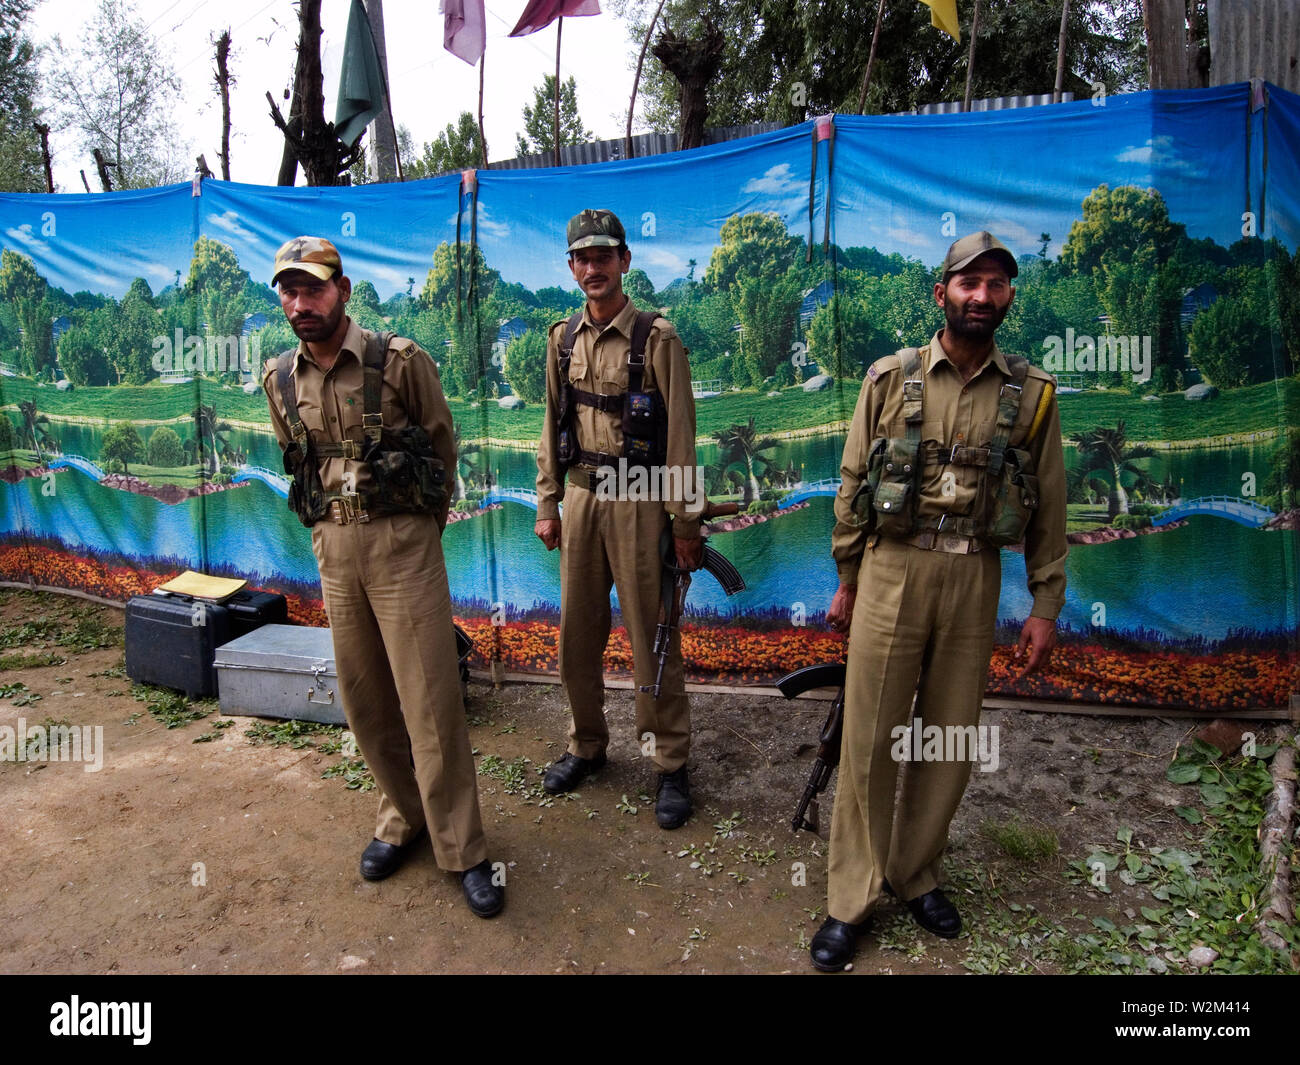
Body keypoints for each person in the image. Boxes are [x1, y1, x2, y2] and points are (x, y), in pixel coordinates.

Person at [810, 231, 1067, 971]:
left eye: (996, 284)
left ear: (1009, 297)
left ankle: (914, 872)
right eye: (969, 282)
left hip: (974, 579)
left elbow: (1049, 504)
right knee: (869, 741)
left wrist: (1045, 603)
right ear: (942, 293)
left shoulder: (1034, 395)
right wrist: (848, 576)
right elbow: (854, 481)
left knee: (948, 739)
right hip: (893, 571)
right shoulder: (888, 378)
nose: (982, 296)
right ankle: (849, 897)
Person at [262, 235, 503, 918]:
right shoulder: (280, 378)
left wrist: (419, 527)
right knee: (365, 700)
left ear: (341, 288)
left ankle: (463, 847)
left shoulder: (398, 362)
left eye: (312, 288)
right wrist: (326, 533)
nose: (300, 303)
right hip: (335, 551)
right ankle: (403, 817)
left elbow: (441, 443)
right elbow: (297, 459)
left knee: (430, 699)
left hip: (402, 546)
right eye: (289, 290)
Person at [534, 209, 704, 829]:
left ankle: (669, 764)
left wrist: (685, 526)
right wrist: (548, 502)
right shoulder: (560, 340)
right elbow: (552, 427)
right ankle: (586, 744)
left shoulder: (659, 339)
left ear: (625, 261)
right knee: (577, 636)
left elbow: (682, 438)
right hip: (581, 502)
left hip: (641, 502)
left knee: (651, 639)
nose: (593, 267)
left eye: (604, 256)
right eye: (582, 257)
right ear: (571, 266)